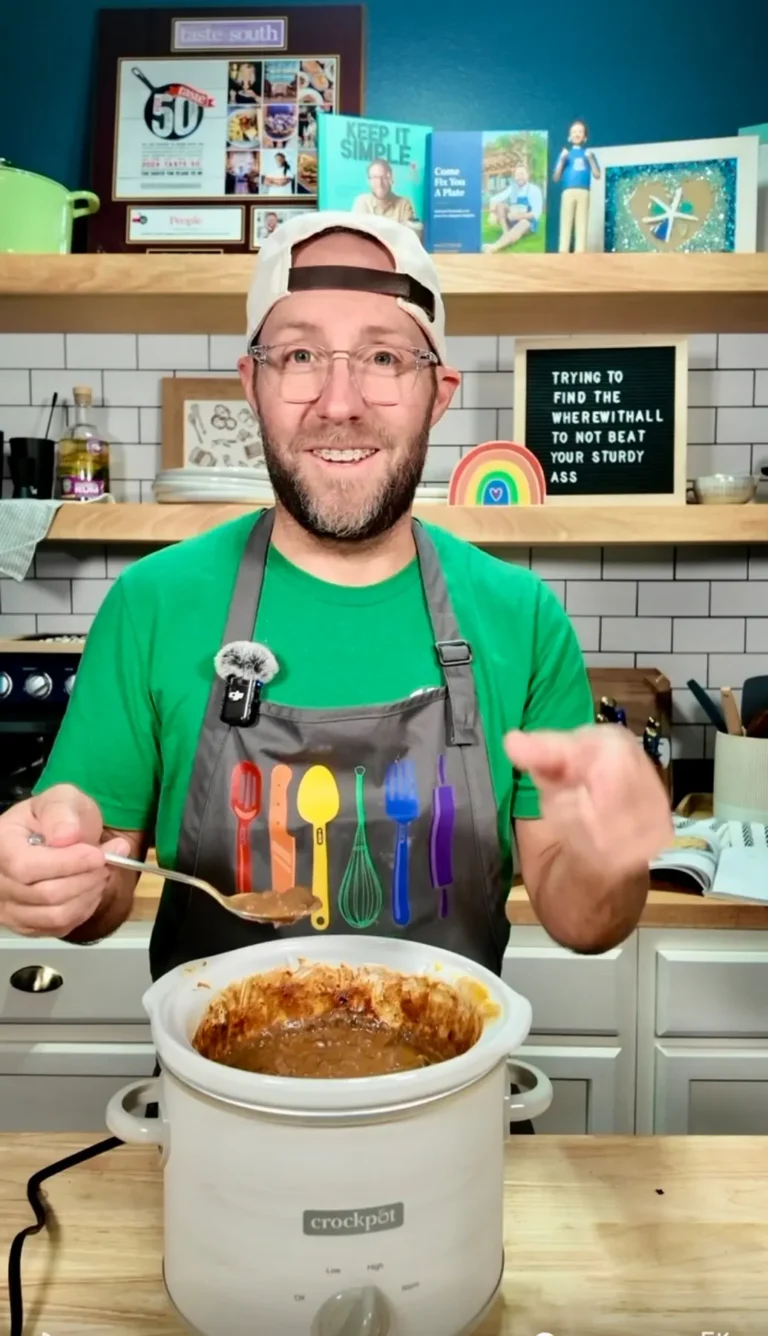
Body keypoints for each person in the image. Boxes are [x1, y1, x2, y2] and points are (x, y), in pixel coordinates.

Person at [0, 211, 671, 1001]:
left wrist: (610, 853)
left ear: (438, 391)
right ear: (252, 383)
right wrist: (59, 869)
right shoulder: (152, 603)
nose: (340, 402)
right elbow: (96, 893)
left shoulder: (520, 617)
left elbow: (583, 922)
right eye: (301, 356)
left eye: (385, 357)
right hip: (217, 1104)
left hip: (448, 1096)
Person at [553, 119, 601, 253]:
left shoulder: (588, 154)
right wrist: (562, 159)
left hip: (584, 192)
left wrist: (590, 159)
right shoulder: (565, 154)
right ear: (569, 136)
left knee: (582, 224)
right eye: (574, 131)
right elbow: (556, 177)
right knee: (565, 223)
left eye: (580, 131)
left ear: (585, 136)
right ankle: (563, 253)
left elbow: (597, 174)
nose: (577, 134)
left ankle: (580, 253)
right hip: (568, 191)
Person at [483, 162, 544, 253]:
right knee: (500, 205)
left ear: (527, 175)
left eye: (522, 174)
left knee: (523, 222)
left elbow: (536, 214)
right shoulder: (513, 189)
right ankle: (506, 233)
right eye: (517, 174)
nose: (519, 177)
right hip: (513, 220)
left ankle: (495, 247)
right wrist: (492, 213)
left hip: (528, 223)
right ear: (515, 177)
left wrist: (518, 216)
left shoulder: (534, 190)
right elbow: (494, 199)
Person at [353, 158, 419, 228]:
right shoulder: (361, 202)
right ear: (368, 181)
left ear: (391, 179)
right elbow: (359, 234)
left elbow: (409, 235)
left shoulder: (404, 204)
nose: (379, 183)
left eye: (384, 177)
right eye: (375, 177)